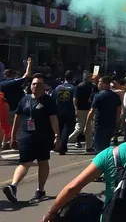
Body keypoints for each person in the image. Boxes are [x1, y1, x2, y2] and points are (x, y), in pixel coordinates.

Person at [3, 73, 59, 203]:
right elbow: (17, 117)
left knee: (43, 161)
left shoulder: (49, 101)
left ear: (44, 86)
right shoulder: (25, 99)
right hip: (26, 136)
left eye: (39, 84)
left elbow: (53, 119)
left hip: (44, 137)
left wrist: (57, 136)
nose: (35, 86)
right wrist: (12, 137)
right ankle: (13, 186)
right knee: (24, 162)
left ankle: (40, 190)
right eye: (33, 84)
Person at [0, 57, 32, 149]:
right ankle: (12, 141)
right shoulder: (13, 83)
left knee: (4, 125)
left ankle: (5, 142)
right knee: (16, 125)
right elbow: (27, 75)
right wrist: (29, 64)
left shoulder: (1, 84)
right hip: (13, 108)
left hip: (3, 108)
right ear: (11, 75)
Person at [86, 76, 122, 154]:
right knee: (107, 147)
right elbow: (118, 111)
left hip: (100, 125)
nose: (98, 84)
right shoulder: (116, 96)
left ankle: (100, 165)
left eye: (99, 82)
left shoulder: (98, 96)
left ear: (103, 84)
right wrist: (117, 122)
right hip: (111, 125)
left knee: (99, 149)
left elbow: (92, 111)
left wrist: (87, 125)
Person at [68, 71, 96, 151]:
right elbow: (75, 99)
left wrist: (76, 108)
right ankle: (65, 141)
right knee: (80, 128)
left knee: (87, 128)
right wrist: (76, 108)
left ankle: (89, 146)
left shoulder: (86, 86)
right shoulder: (83, 86)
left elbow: (75, 99)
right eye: (91, 77)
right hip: (84, 109)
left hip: (85, 109)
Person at [52, 70, 76, 155]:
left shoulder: (57, 88)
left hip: (58, 111)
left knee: (59, 129)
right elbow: (75, 101)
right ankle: (62, 146)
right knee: (67, 130)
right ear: (73, 78)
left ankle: (57, 145)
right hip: (69, 111)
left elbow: (53, 99)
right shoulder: (73, 88)